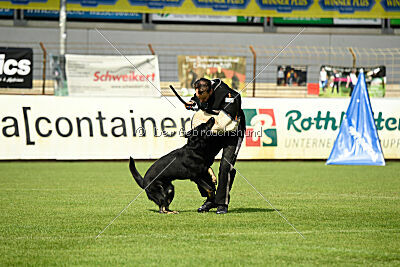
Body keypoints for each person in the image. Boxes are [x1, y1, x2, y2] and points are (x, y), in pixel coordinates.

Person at [186, 78, 246, 214]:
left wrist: (203, 129)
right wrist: (193, 102)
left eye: (204, 98)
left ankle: (222, 203)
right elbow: (198, 101)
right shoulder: (203, 90)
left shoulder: (230, 97)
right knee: (197, 162)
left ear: (211, 91)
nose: (202, 101)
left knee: (225, 167)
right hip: (214, 128)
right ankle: (210, 197)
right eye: (198, 97)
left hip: (232, 131)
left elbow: (224, 124)